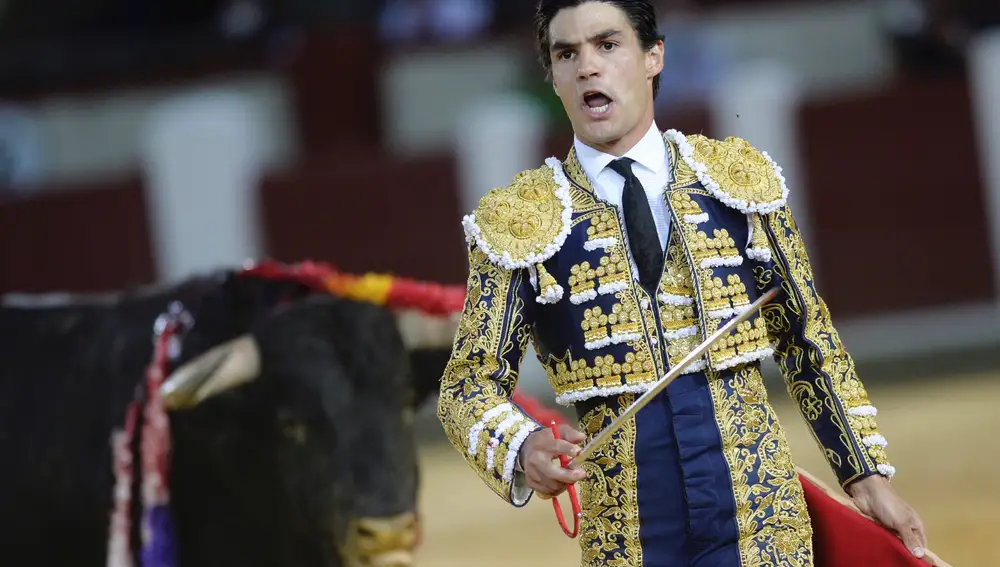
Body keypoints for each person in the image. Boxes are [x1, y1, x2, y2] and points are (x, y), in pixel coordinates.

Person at [436, 1, 928, 565]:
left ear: (653, 57)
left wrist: (866, 476)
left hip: (758, 513)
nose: (587, 67)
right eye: (566, 53)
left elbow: (807, 339)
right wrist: (521, 448)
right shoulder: (519, 221)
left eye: (608, 45)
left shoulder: (734, 183)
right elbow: (467, 387)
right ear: (552, 75)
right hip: (629, 533)